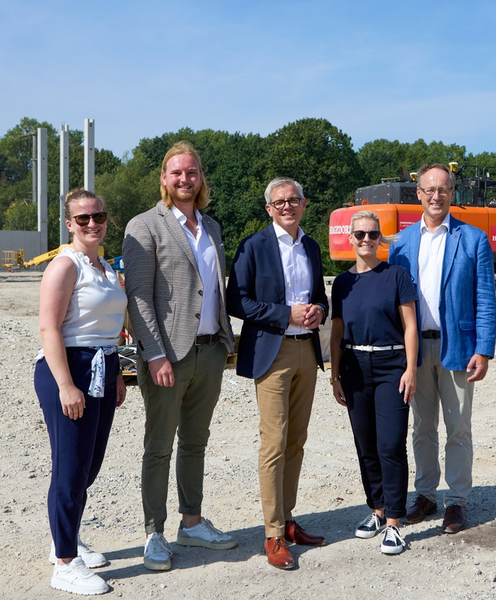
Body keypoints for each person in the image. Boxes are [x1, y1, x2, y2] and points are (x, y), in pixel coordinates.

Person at [122, 141, 236, 572]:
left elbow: (215, 288)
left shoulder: (211, 226)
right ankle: (154, 532)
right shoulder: (144, 226)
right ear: (164, 179)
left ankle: (191, 521)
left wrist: (226, 340)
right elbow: (138, 296)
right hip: (168, 356)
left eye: (192, 173)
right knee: (158, 446)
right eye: (176, 173)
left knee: (195, 441)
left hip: (209, 353)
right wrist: (153, 355)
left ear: (200, 177)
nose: (185, 180)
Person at [388, 163, 496, 534]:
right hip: (416, 351)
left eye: (444, 189)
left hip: (459, 349)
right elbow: (393, 302)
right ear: (418, 194)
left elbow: (485, 298)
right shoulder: (401, 244)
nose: (436, 196)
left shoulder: (473, 239)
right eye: (429, 189)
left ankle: (456, 501)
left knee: (458, 428)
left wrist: (483, 349)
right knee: (421, 427)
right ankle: (426, 494)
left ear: (452, 193)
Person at [226, 177, 328, 570]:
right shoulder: (254, 246)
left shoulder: (312, 246)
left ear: (304, 204)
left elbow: (319, 295)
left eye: (294, 200)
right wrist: (284, 314)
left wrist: (320, 309)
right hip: (273, 352)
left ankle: (288, 521)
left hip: (308, 351)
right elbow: (237, 300)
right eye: (279, 202)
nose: (287, 207)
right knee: (274, 443)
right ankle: (272, 534)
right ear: (269, 208)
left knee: (297, 442)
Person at [35, 189, 127, 595]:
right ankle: (65, 564)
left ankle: (64, 536)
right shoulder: (65, 265)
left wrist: (118, 375)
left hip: (104, 366)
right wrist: (65, 385)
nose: (93, 223)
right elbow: (49, 327)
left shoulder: (104, 265)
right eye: (83, 218)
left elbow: (108, 327)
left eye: (99, 216)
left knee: (88, 467)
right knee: (70, 468)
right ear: (70, 224)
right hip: (69, 367)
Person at [329, 210, 418, 555]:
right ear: (350, 239)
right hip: (353, 366)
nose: (366, 239)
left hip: (391, 365)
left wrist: (411, 369)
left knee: (391, 445)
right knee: (365, 444)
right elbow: (336, 332)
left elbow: (410, 326)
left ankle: (395, 522)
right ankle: (377, 510)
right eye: (360, 234)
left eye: (373, 234)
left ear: (381, 239)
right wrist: (335, 375)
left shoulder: (397, 275)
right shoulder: (342, 283)